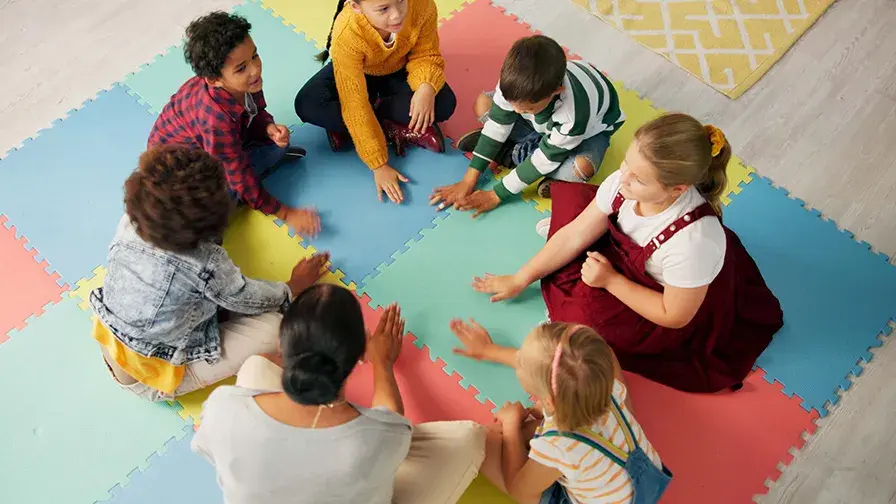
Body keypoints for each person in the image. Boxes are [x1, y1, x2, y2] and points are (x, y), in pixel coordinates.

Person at [469, 113, 784, 393]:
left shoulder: (693, 243)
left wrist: (610, 281)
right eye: (626, 164)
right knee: (573, 218)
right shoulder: (623, 183)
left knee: (585, 328)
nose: (623, 178)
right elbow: (577, 233)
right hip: (627, 258)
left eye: (638, 178)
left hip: (664, 296)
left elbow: (673, 316)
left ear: (678, 189)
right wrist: (521, 278)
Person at [193, 284, 486, 504]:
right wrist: (382, 364)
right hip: (364, 458)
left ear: (283, 345)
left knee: (255, 366)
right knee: (469, 438)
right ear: (360, 355)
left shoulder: (222, 405)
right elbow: (392, 422)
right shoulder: (375, 435)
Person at [89, 145, 330, 402]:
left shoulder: (130, 220)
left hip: (110, 337)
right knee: (275, 329)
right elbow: (245, 297)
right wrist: (291, 288)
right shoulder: (206, 264)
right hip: (152, 376)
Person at [450, 319, 671, 504]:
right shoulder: (606, 384)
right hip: (647, 480)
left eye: (520, 363)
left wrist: (511, 426)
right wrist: (490, 350)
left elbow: (521, 493)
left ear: (550, 401)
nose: (518, 361)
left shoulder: (559, 446)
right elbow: (552, 363)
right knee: (533, 429)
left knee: (486, 440)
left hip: (607, 490)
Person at [148, 11, 320, 237]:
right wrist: (286, 213)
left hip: (216, 149)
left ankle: (248, 176)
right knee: (217, 211)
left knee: (277, 146)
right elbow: (237, 173)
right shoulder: (215, 121)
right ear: (214, 79)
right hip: (183, 177)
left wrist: (268, 127)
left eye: (255, 56)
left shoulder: (245, 83)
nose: (255, 70)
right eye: (241, 68)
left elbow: (256, 113)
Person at [430, 35, 625, 217]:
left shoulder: (573, 115)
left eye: (526, 108)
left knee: (581, 169)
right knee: (483, 105)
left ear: (557, 91)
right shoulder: (515, 85)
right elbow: (499, 123)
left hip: (588, 133)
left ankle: (511, 153)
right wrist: (468, 179)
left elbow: (545, 160)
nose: (515, 111)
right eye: (512, 103)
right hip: (541, 124)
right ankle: (525, 150)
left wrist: (496, 195)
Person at [294, 0, 457, 205]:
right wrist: (378, 164)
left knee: (443, 102)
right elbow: (354, 103)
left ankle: (376, 118)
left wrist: (425, 87)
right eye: (383, 9)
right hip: (359, 72)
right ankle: (386, 123)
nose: (397, 15)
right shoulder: (347, 32)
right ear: (356, 6)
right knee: (307, 103)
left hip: (399, 68)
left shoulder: (422, 5)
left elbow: (426, 53)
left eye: (400, 1)